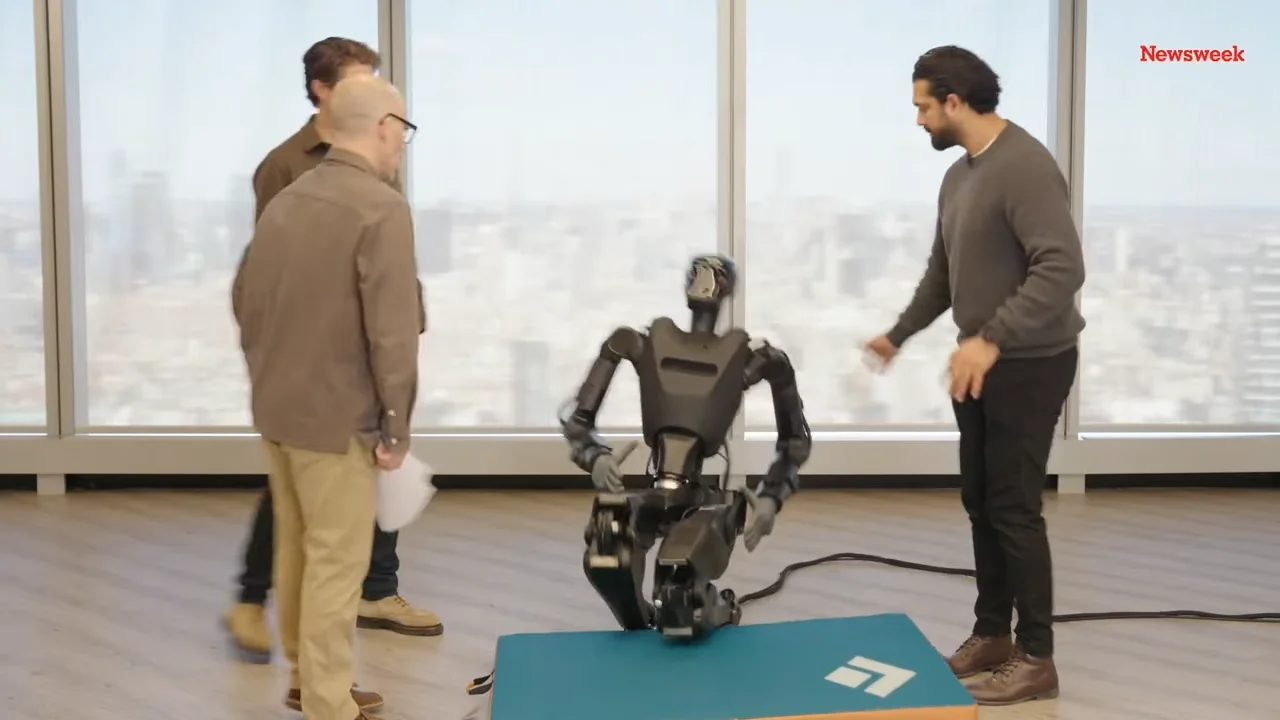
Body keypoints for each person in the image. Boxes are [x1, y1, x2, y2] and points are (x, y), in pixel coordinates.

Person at [864, 45, 1085, 706]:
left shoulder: (1025, 168)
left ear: (954, 102)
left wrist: (991, 339)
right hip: (980, 362)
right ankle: (992, 636)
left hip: (1030, 363)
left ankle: (1037, 658)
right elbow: (944, 273)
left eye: (923, 107)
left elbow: (1061, 269)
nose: (919, 120)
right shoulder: (959, 176)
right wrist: (898, 334)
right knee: (981, 501)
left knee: (1015, 508)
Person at [223, 37, 441, 670]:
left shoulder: (348, 184)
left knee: (314, 542)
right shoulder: (293, 172)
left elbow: (251, 288)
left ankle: (319, 669)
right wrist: (394, 421)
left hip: (304, 391)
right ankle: (325, 698)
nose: (399, 135)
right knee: (328, 552)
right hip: (332, 394)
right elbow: (268, 287)